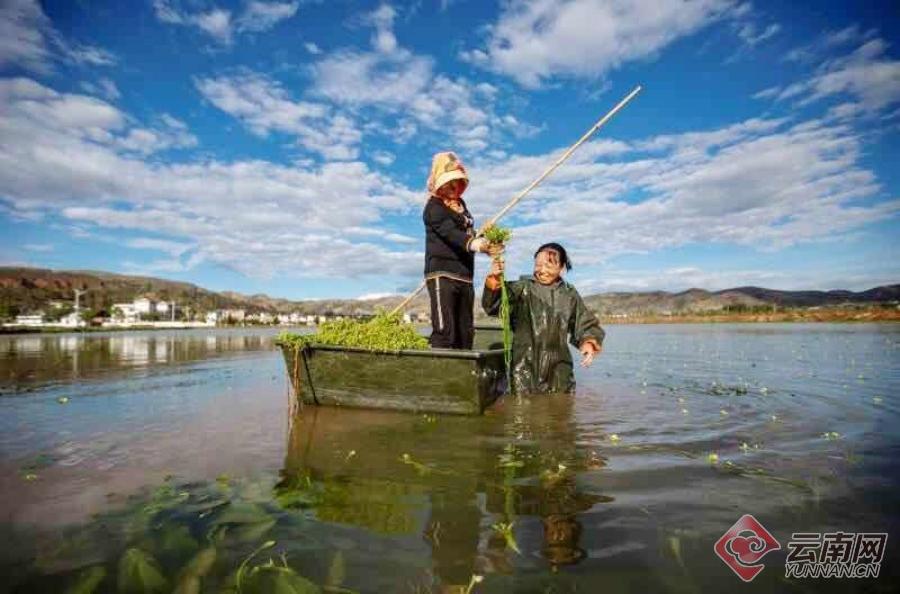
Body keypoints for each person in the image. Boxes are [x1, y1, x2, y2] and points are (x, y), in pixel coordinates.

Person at [482, 242, 604, 394]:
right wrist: (494, 278)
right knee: (522, 410)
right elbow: (494, 306)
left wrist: (588, 344)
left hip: (559, 368)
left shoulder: (569, 294)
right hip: (524, 366)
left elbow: (585, 322)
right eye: (538, 265)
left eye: (549, 265)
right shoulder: (522, 288)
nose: (542, 270)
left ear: (562, 268)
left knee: (560, 410)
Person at [423, 151, 495, 349]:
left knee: (465, 331)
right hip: (442, 274)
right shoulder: (433, 208)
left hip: (465, 276)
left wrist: (483, 239)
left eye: (457, 182)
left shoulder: (462, 207)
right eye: (449, 182)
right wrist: (476, 244)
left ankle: (463, 372)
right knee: (445, 330)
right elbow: (451, 234)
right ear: (439, 183)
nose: (454, 187)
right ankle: (438, 372)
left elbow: (467, 236)